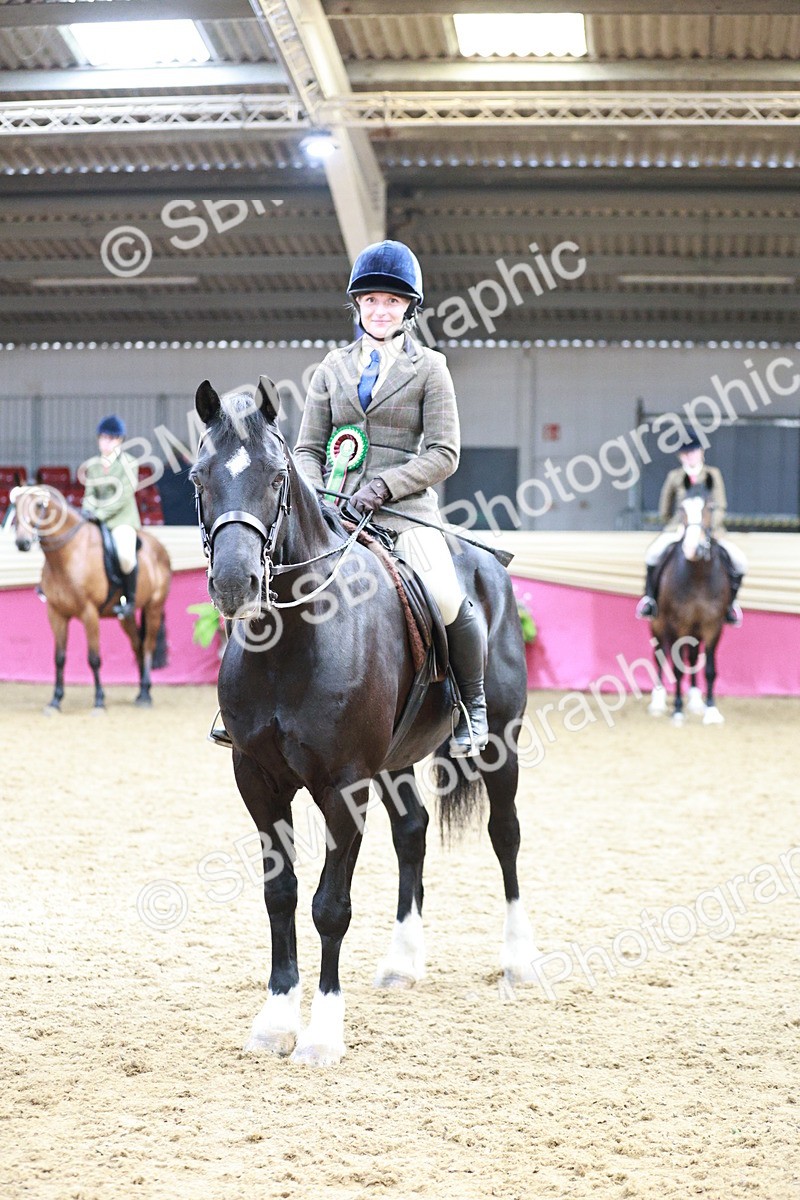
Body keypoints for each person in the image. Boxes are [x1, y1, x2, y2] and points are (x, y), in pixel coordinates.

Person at [293, 238, 489, 757]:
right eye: (372, 300)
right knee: (276, 587)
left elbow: (445, 452)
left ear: (409, 308)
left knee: (446, 597)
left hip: (403, 513)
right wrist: (320, 495)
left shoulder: (430, 367)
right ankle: (249, 707)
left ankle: (474, 705)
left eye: (393, 301)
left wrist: (384, 486)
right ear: (357, 304)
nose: (381, 310)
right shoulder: (330, 369)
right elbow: (307, 448)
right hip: (335, 512)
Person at [635, 430, 746, 625]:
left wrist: (707, 528)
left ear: (701, 452)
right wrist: (678, 526)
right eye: (686, 452)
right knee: (652, 554)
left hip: (709, 530)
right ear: (680, 455)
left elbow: (720, 506)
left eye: (693, 451)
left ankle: (731, 605)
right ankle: (650, 599)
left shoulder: (712, 475)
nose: (690, 455)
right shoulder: (674, 476)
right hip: (680, 529)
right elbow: (665, 509)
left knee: (740, 561)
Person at [81, 414, 141, 618]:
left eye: (110, 438)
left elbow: (123, 495)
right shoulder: (92, 465)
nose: (105, 443)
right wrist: (88, 509)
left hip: (121, 520)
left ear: (119, 440)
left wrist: (98, 513)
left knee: (125, 556)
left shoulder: (130, 463)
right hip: (96, 520)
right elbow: (89, 494)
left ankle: (129, 599)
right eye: (103, 438)